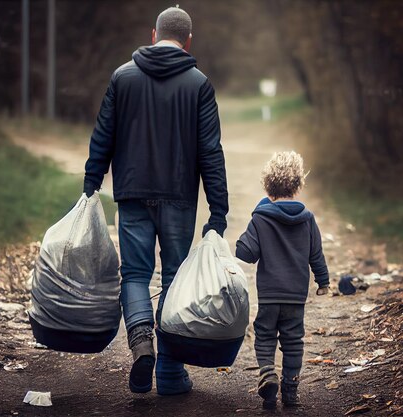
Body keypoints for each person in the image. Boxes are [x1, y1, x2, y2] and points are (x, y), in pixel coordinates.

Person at [83, 6, 228, 396]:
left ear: (153, 34)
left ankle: (141, 342)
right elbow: (210, 151)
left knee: (134, 274)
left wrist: (91, 183)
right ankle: (168, 373)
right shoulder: (199, 83)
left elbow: (103, 135)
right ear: (189, 40)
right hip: (179, 197)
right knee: (175, 278)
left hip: (131, 193)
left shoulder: (122, 77)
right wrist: (219, 209)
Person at [235, 151, 329, 409]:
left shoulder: (261, 218)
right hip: (296, 297)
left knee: (264, 336)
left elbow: (245, 253)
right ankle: (290, 392)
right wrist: (323, 282)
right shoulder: (308, 219)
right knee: (293, 341)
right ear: (298, 185)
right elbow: (316, 254)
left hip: (269, 295)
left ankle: (267, 373)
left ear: (268, 185)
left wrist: (253, 219)